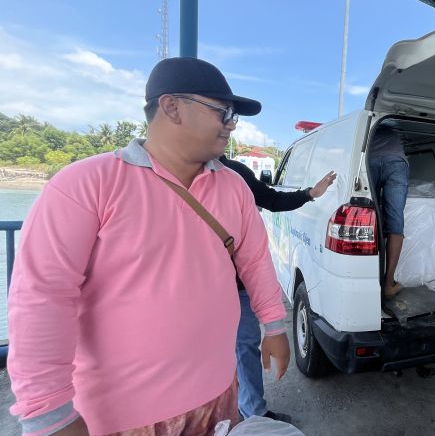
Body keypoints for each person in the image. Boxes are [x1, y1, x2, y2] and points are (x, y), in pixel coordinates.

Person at [7, 57, 290, 435]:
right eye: (223, 112)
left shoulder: (234, 186)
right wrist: (49, 414)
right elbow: (41, 298)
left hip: (220, 397)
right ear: (171, 107)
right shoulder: (87, 184)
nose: (231, 125)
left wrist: (274, 326)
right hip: (120, 417)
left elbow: (255, 260)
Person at [219, 154, 335, 422]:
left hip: (236, 285)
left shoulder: (235, 173)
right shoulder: (134, 178)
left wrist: (310, 193)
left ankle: (252, 414)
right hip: (188, 294)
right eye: (220, 114)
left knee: (243, 347)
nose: (229, 126)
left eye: (230, 116)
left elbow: (272, 200)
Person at [368, 124, 408, 298]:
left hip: (372, 159)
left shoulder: (370, 122)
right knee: (395, 220)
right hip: (396, 161)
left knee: (371, 215)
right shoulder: (394, 126)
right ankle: (388, 283)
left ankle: (370, 277)